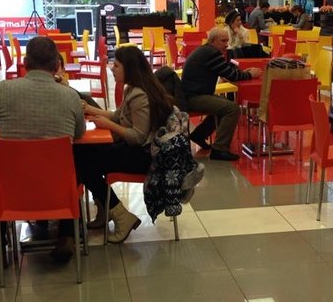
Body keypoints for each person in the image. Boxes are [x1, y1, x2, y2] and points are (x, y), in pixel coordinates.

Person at [0, 36, 85, 269]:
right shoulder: (70, 96)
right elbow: (79, 132)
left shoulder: (4, 90)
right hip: (57, 187)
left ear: (25, 63)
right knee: (75, 168)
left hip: (12, 187)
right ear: (56, 65)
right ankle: (66, 235)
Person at [74, 46, 174, 243]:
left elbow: (138, 137)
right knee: (85, 154)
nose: (112, 68)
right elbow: (118, 116)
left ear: (130, 68)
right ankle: (107, 211)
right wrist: (91, 110)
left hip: (146, 157)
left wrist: (109, 125)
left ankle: (120, 215)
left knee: (84, 163)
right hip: (136, 150)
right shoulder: (132, 89)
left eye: (117, 65)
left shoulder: (139, 95)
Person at [181, 27, 263, 161]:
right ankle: (219, 149)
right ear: (212, 41)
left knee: (224, 105)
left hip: (192, 94)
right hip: (194, 98)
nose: (226, 44)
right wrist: (250, 75)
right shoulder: (212, 54)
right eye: (223, 41)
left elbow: (226, 71)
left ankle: (199, 135)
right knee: (232, 108)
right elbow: (231, 75)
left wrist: (244, 73)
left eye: (227, 41)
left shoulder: (206, 51)